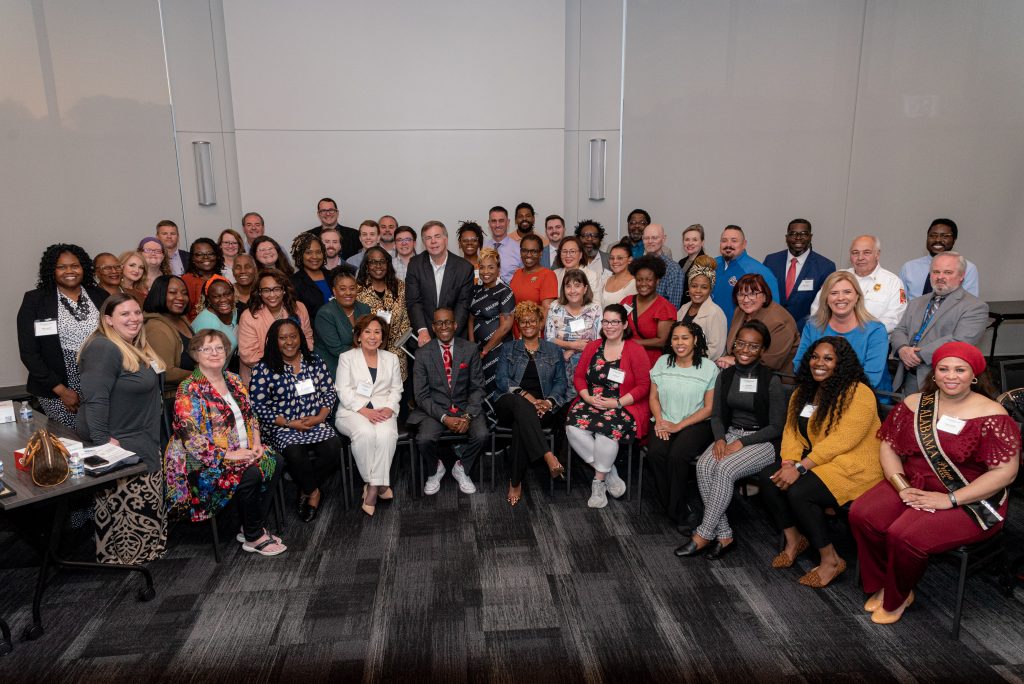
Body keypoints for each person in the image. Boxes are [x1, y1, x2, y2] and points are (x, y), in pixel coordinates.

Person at [850, 342, 1019, 624]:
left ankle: (897, 596)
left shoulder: (993, 415)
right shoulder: (915, 403)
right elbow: (889, 447)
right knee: (862, 514)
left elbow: (1005, 473)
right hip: (913, 481)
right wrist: (900, 485)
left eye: (960, 369)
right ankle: (885, 583)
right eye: (944, 369)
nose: (951, 376)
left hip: (969, 496)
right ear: (934, 372)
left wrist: (949, 500)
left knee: (905, 535)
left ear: (974, 374)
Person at [758, 337, 883, 588]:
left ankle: (831, 560)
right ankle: (795, 541)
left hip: (855, 466)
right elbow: (791, 432)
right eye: (815, 357)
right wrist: (787, 463)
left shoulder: (858, 393)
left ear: (841, 363)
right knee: (768, 479)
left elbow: (843, 440)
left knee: (800, 492)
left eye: (828, 358)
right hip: (820, 461)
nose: (819, 363)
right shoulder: (804, 391)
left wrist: (801, 467)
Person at [164, 330, 286, 556]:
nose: (214, 353)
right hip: (201, 462)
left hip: (242, 450)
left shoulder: (233, 379)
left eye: (219, 348)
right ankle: (253, 535)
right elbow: (191, 438)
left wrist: (256, 443)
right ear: (195, 354)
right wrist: (229, 456)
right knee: (250, 473)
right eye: (207, 349)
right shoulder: (189, 388)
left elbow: (250, 415)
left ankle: (250, 524)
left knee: (274, 460)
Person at [676, 320, 784, 559]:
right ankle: (724, 535)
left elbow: (777, 426)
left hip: (762, 442)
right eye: (741, 344)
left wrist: (741, 443)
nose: (745, 350)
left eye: (753, 346)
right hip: (731, 434)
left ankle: (703, 534)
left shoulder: (771, 380)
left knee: (723, 469)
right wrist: (720, 439)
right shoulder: (725, 376)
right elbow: (716, 415)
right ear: (733, 345)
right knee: (704, 466)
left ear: (763, 350)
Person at [77, 294, 167, 563]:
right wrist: (104, 443)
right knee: (127, 505)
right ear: (108, 320)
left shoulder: (133, 346)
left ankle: (146, 555)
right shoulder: (103, 348)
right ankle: (127, 562)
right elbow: (95, 399)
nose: (134, 318)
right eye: (125, 314)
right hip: (122, 444)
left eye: (137, 312)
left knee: (145, 501)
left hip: (142, 437)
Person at [250, 319, 339, 523]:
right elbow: (258, 406)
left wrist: (320, 417)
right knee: (294, 452)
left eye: (293, 336)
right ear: (274, 341)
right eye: (282, 338)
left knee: (333, 449)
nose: (289, 342)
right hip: (283, 426)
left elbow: (328, 392)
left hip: (315, 421)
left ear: (300, 338)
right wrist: (290, 424)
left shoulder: (314, 360)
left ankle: (306, 486)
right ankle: (314, 493)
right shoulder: (263, 369)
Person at [566, 304, 652, 509]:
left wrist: (618, 402)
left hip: (623, 404)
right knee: (572, 427)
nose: (609, 326)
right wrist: (586, 397)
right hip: (591, 400)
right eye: (605, 321)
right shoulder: (593, 346)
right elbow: (579, 377)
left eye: (614, 321)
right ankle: (609, 471)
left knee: (606, 431)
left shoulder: (635, 349)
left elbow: (644, 385)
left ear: (624, 324)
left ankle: (598, 483)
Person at [17, 243, 108, 428]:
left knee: (102, 434)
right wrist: (62, 391)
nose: (69, 271)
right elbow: (29, 353)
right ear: (52, 270)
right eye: (62, 267)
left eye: (75, 265)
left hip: (100, 377)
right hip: (57, 383)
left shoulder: (99, 295)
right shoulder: (36, 300)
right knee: (74, 438)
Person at [493, 301, 574, 506]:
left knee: (522, 424)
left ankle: (515, 481)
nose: (528, 324)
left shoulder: (553, 350)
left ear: (540, 324)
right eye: (523, 321)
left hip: (542, 405)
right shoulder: (508, 348)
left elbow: (560, 382)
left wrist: (548, 402)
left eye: (532, 321)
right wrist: (527, 396)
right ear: (518, 325)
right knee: (521, 406)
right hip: (509, 402)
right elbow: (502, 381)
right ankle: (548, 455)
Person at [648, 321, 718, 533]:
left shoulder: (708, 368)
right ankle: (677, 507)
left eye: (685, 338)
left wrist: (679, 426)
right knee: (655, 453)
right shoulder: (662, 362)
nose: (680, 343)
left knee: (677, 456)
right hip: (665, 420)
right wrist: (660, 420)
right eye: (675, 338)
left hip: (695, 423)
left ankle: (675, 510)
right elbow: (653, 398)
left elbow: (709, 409)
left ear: (695, 340)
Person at [409, 308, 487, 495]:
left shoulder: (469, 349)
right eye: (439, 323)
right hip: (434, 410)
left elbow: (478, 387)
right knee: (424, 439)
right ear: (433, 327)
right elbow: (421, 395)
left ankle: (462, 467)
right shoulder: (422, 354)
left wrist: (468, 416)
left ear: (455, 325)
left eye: (448, 322)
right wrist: (444, 417)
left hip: (464, 407)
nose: (444, 327)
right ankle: (435, 468)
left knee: (482, 434)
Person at [890, 253, 988, 395]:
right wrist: (903, 349)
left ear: (961, 276)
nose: (940, 277)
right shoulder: (916, 302)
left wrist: (918, 355)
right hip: (906, 376)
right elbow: (899, 329)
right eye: (936, 272)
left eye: (948, 272)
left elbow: (959, 341)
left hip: (940, 382)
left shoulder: (975, 306)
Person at [334, 315, 404, 515]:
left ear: (382, 337)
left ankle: (372, 487)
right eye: (367, 331)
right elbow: (343, 390)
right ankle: (379, 484)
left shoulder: (391, 358)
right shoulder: (346, 358)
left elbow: (396, 389)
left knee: (386, 435)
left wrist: (390, 408)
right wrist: (365, 411)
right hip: (352, 411)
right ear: (358, 336)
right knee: (365, 433)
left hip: (383, 410)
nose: (372, 336)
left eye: (377, 332)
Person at [795, 271, 891, 392]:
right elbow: (799, 365)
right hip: (818, 393)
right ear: (825, 298)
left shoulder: (875, 330)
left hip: (863, 396)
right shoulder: (813, 326)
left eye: (847, 292)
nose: (840, 298)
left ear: (857, 297)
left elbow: (871, 378)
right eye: (834, 293)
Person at [809, 235, 906, 333]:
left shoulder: (892, 282)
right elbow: (817, 309)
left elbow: (894, 319)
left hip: (872, 341)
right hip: (834, 339)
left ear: (877, 254)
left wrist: (859, 334)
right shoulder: (837, 277)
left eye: (866, 252)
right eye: (855, 253)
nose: (860, 258)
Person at [237, 269, 314, 382]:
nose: (272, 295)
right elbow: (249, 356)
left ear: (284, 290)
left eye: (277, 289)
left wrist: (295, 362)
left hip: (298, 372)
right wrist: (288, 359)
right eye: (266, 290)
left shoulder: (299, 308)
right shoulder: (249, 316)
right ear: (259, 292)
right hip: (262, 378)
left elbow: (307, 338)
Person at [405, 220, 474, 344]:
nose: (433, 241)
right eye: (428, 238)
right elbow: (414, 301)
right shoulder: (415, 264)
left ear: (446, 239)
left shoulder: (464, 268)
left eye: (437, 236)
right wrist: (422, 330)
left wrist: (449, 333)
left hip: (454, 336)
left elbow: (463, 305)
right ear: (424, 242)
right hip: (424, 336)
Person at [763, 219, 836, 330]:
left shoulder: (825, 267)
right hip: (771, 329)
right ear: (786, 237)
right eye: (793, 234)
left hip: (805, 330)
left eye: (803, 234)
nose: (798, 238)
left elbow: (824, 306)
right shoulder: (771, 261)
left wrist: (794, 328)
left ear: (810, 237)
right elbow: (763, 294)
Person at [719, 273, 800, 373]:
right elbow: (733, 347)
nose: (746, 299)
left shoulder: (778, 322)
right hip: (742, 372)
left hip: (776, 379)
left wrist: (735, 361)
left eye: (753, 294)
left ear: (765, 296)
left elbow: (771, 363)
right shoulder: (740, 311)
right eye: (741, 294)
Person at [355, 245, 412, 380]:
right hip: (368, 353)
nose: (378, 266)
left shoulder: (401, 287)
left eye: (382, 261)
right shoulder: (358, 291)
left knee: (396, 396)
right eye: (373, 262)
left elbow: (405, 318)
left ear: (388, 264)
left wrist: (395, 345)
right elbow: (357, 324)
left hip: (396, 353)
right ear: (367, 266)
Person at [468, 247, 514, 397]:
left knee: (496, 389)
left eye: (491, 267)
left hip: (498, 351)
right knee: (479, 389)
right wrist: (472, 345)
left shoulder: (505, 292)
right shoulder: (475, 290)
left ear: (498, 270)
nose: (486, 271)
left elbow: (505, 327)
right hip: (478, 350)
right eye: (482, 267)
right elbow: (471, 318)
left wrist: (485, 350)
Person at [143, 275, 194, 408]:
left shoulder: (181, 318)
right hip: (173, 401)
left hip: (189, 394)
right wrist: (202, 375)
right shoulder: (156, 327)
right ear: (159, 294)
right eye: (172, 292)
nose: (180, 297)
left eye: (184, 293)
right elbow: (165, 372)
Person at [899, 219, 980, 301]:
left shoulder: (967, 268)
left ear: (954, 240)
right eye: (933, 235)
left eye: (945, 236)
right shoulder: (909, 267)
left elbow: (969, 302)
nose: (937, 240)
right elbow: (901, 302)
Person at [545, 268, 602, 386]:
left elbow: (598, 341)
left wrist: (573, 351)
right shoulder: (555, 307)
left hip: (586, 358)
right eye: (568, 286)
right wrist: (570, 345)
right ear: (563, 289)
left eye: (577, 285)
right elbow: (549, 338)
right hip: (557, 358)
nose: (572, 291)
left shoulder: (595, 309)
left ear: (585, 289)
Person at [713, 225, 780, 323]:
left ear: (744, 244)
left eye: (734, 241)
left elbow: (773, 309)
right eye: (724, 240)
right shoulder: (712, 265)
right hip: (712, 330)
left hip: (740, 332)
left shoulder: (759, 271)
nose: (728, 244)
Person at [622, 255, 677, 367]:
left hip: (650, 362)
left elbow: (663, 341)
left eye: (649, 280)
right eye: (639, 280)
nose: (643, 284)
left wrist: (631, 343)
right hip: (625, 358)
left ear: (657, 281)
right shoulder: (627, 301)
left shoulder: (664, 307)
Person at [314, 270, 371, 378]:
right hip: (333, 368)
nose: (348, 293)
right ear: (334, 291)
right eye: (343, 289)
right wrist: (368, 350)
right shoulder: (325, 314)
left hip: (360, 363)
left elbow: (370, 336)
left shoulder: (364, 308)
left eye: (352, 288)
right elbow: (336, 350)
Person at [290, 232, 350, 322]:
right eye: (308, 252)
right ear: (300, 256)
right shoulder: (294, 282)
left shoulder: (333, 276)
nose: (314, 257)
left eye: (318, 252)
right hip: (313, 333)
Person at [677, 255, 728, 360]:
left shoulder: (716, 313)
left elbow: (715, 350)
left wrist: (690, 361)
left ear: (710, 289)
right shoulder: (683, 309)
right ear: (689, 286)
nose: (698, 291)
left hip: (703, 368)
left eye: (704, 287)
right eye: (694, 286)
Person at [509, 233, 558, 325]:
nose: (529, 255)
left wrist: (535, 334)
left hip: (534, 334)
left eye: (534, 251)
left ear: (540, 253)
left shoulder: (547, 275)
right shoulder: (517, 273)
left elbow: (546, 311)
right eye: (525, 250)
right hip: (516, 332)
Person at [191, 276, 239, 369]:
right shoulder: (208, 323)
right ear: (208, 299)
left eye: (228, 294)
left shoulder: (235, 312)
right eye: (216, 296)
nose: (223, 300)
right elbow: (207, 362)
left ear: (233, 294)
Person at [642, 224, 685, 308]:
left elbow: (672, 308)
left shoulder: (673, 269)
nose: (650, 241)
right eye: (646, 238)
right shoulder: (638, 265)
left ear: (663, 239)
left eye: (654, 238)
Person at [181, 238, 224, 321]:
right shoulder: (186, 280)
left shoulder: (221, 279)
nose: (206, 257)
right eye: (199, 254)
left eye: (210, 254)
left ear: (217, 256)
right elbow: (183, 313)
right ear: (193, 258)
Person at [485, 206, 523, 283]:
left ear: (508, 222)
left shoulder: (519, 249)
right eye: (493, 221)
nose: (497, 225)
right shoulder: (483, 247)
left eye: (501, 221)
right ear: (489, 223)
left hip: (511, 293)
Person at [598, 241, 636, 309]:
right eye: (612, 258)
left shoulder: (634, 284)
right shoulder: (605, 279)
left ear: (630, 260)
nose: (615, 261)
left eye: (620, 258)